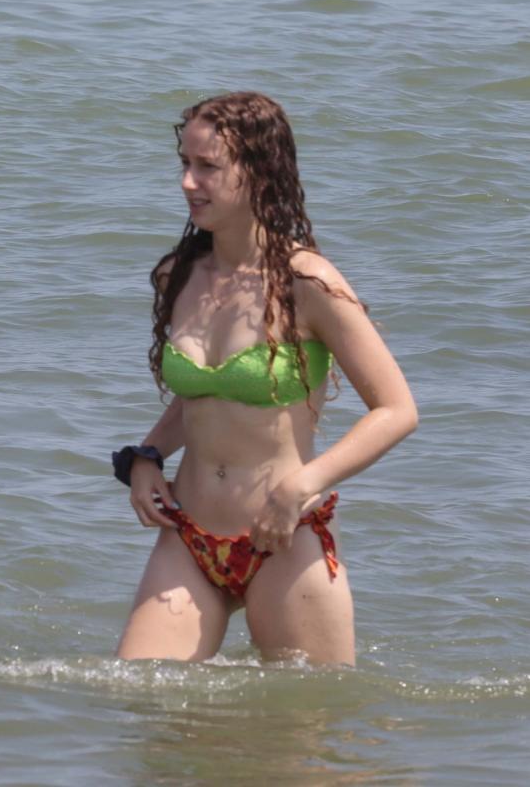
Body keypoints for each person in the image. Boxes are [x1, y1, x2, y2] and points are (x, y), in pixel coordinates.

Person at [113, 92, 417, 665]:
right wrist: (146, 457)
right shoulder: (178, 275)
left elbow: (397, 410)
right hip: (189, 536)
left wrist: (302, 486)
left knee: (304, 716)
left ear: (258, 172)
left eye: (207, 166)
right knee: (140, 698)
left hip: (283, 537)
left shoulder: (309, 283)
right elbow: (202, 394)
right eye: (184, 163)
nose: (187, 181)